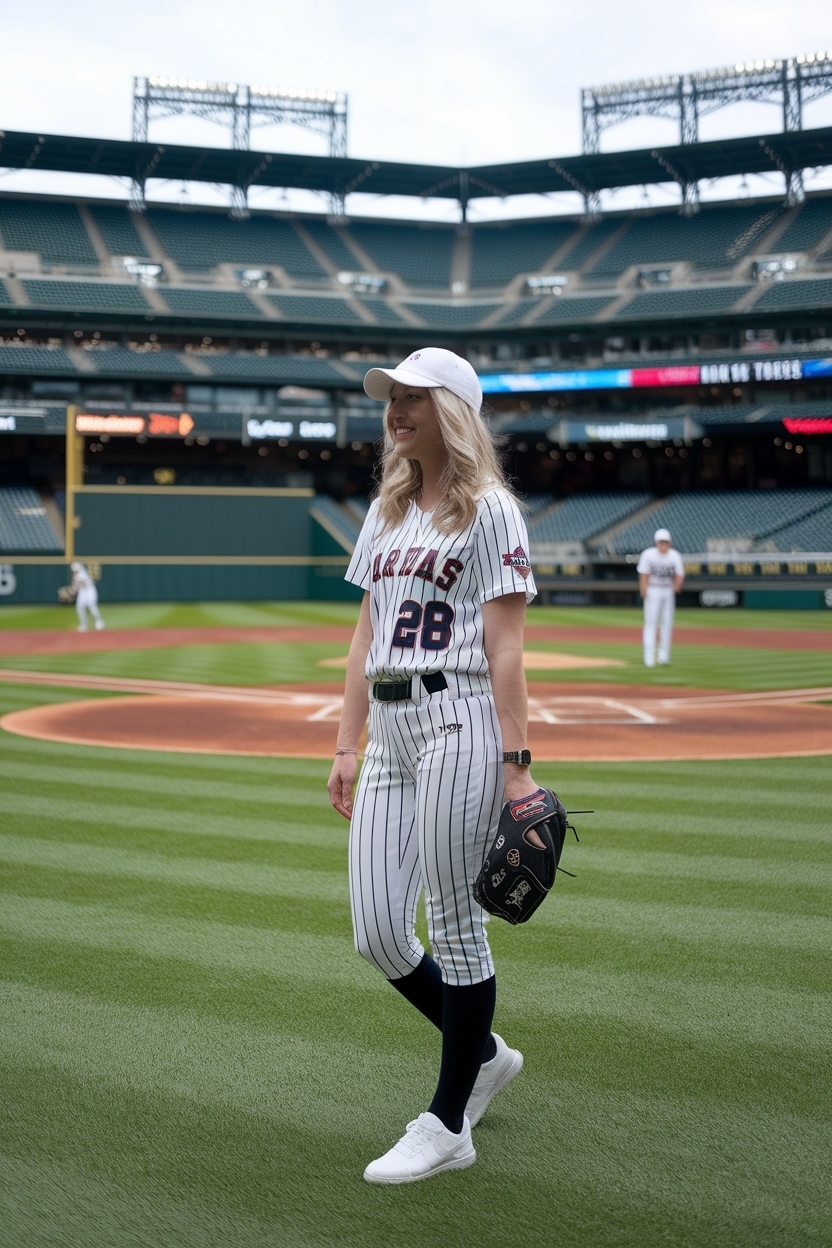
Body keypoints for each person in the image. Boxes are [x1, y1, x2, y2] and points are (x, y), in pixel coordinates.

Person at [327, 347, 538, 1185]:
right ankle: (482, 1053)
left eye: (414, 397)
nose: (395, 408)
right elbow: (362, 637)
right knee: (377, 929)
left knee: (454, 923)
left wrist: (517, 765)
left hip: (461, 715)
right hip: (389, 720)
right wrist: (347, 743)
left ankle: (448, 1122)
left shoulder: (491, 510)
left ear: (453, 409)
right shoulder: (385, 511)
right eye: (390, 397)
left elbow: (507, 644)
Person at [637, 528, 684, 667]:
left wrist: (677, 585)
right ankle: (649, 658)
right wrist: (644, 589)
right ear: (656, 543)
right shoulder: (648, 554)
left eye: (665, 542)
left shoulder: (674, 556)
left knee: (667, 623)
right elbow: (644, 574)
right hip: (654, 588)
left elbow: (679, 574)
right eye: (661, 542)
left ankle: (663, 657)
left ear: (669, 543)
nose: (663, 545)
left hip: (667, 590)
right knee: (651, 623)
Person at [71, 561, 105, 632]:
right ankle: (84, 624)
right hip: (83, 591)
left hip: (90, 590)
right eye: (74, 570)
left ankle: (99, 622)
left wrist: (73, 589)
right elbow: (77, 586)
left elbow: (82, 584)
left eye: (76, 570)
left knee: (92, 606)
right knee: (79, 607)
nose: (75, 571)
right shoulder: (76, 575)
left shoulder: (82, 574)